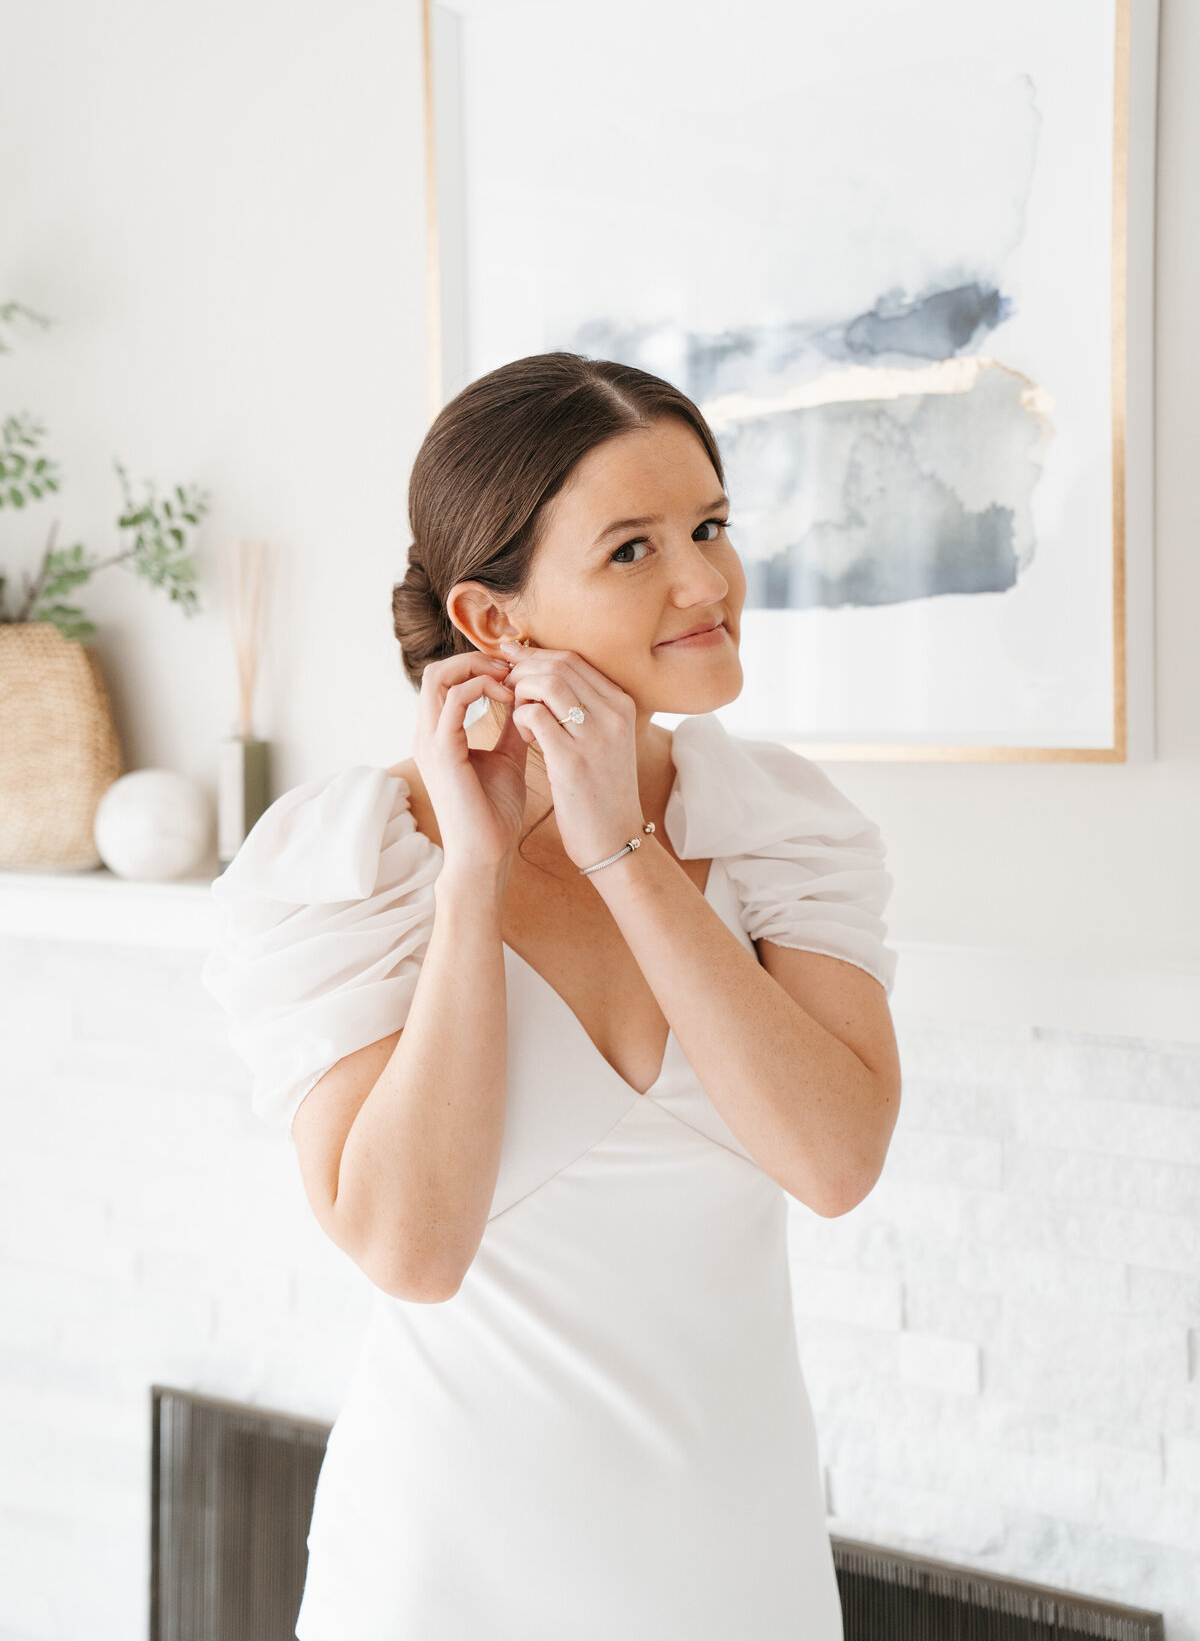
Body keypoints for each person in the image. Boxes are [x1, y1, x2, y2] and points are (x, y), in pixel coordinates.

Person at [201, 351, 902, 1641]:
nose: (706, 582)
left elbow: (834, 1158)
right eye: (631, 549)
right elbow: (411, 1248)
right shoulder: (349, 870)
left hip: (738, 1569)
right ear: (494, 622)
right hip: (446, 1575)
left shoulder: (780, 831)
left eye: (709, 525)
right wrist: (474, 879)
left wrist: (623, 855)